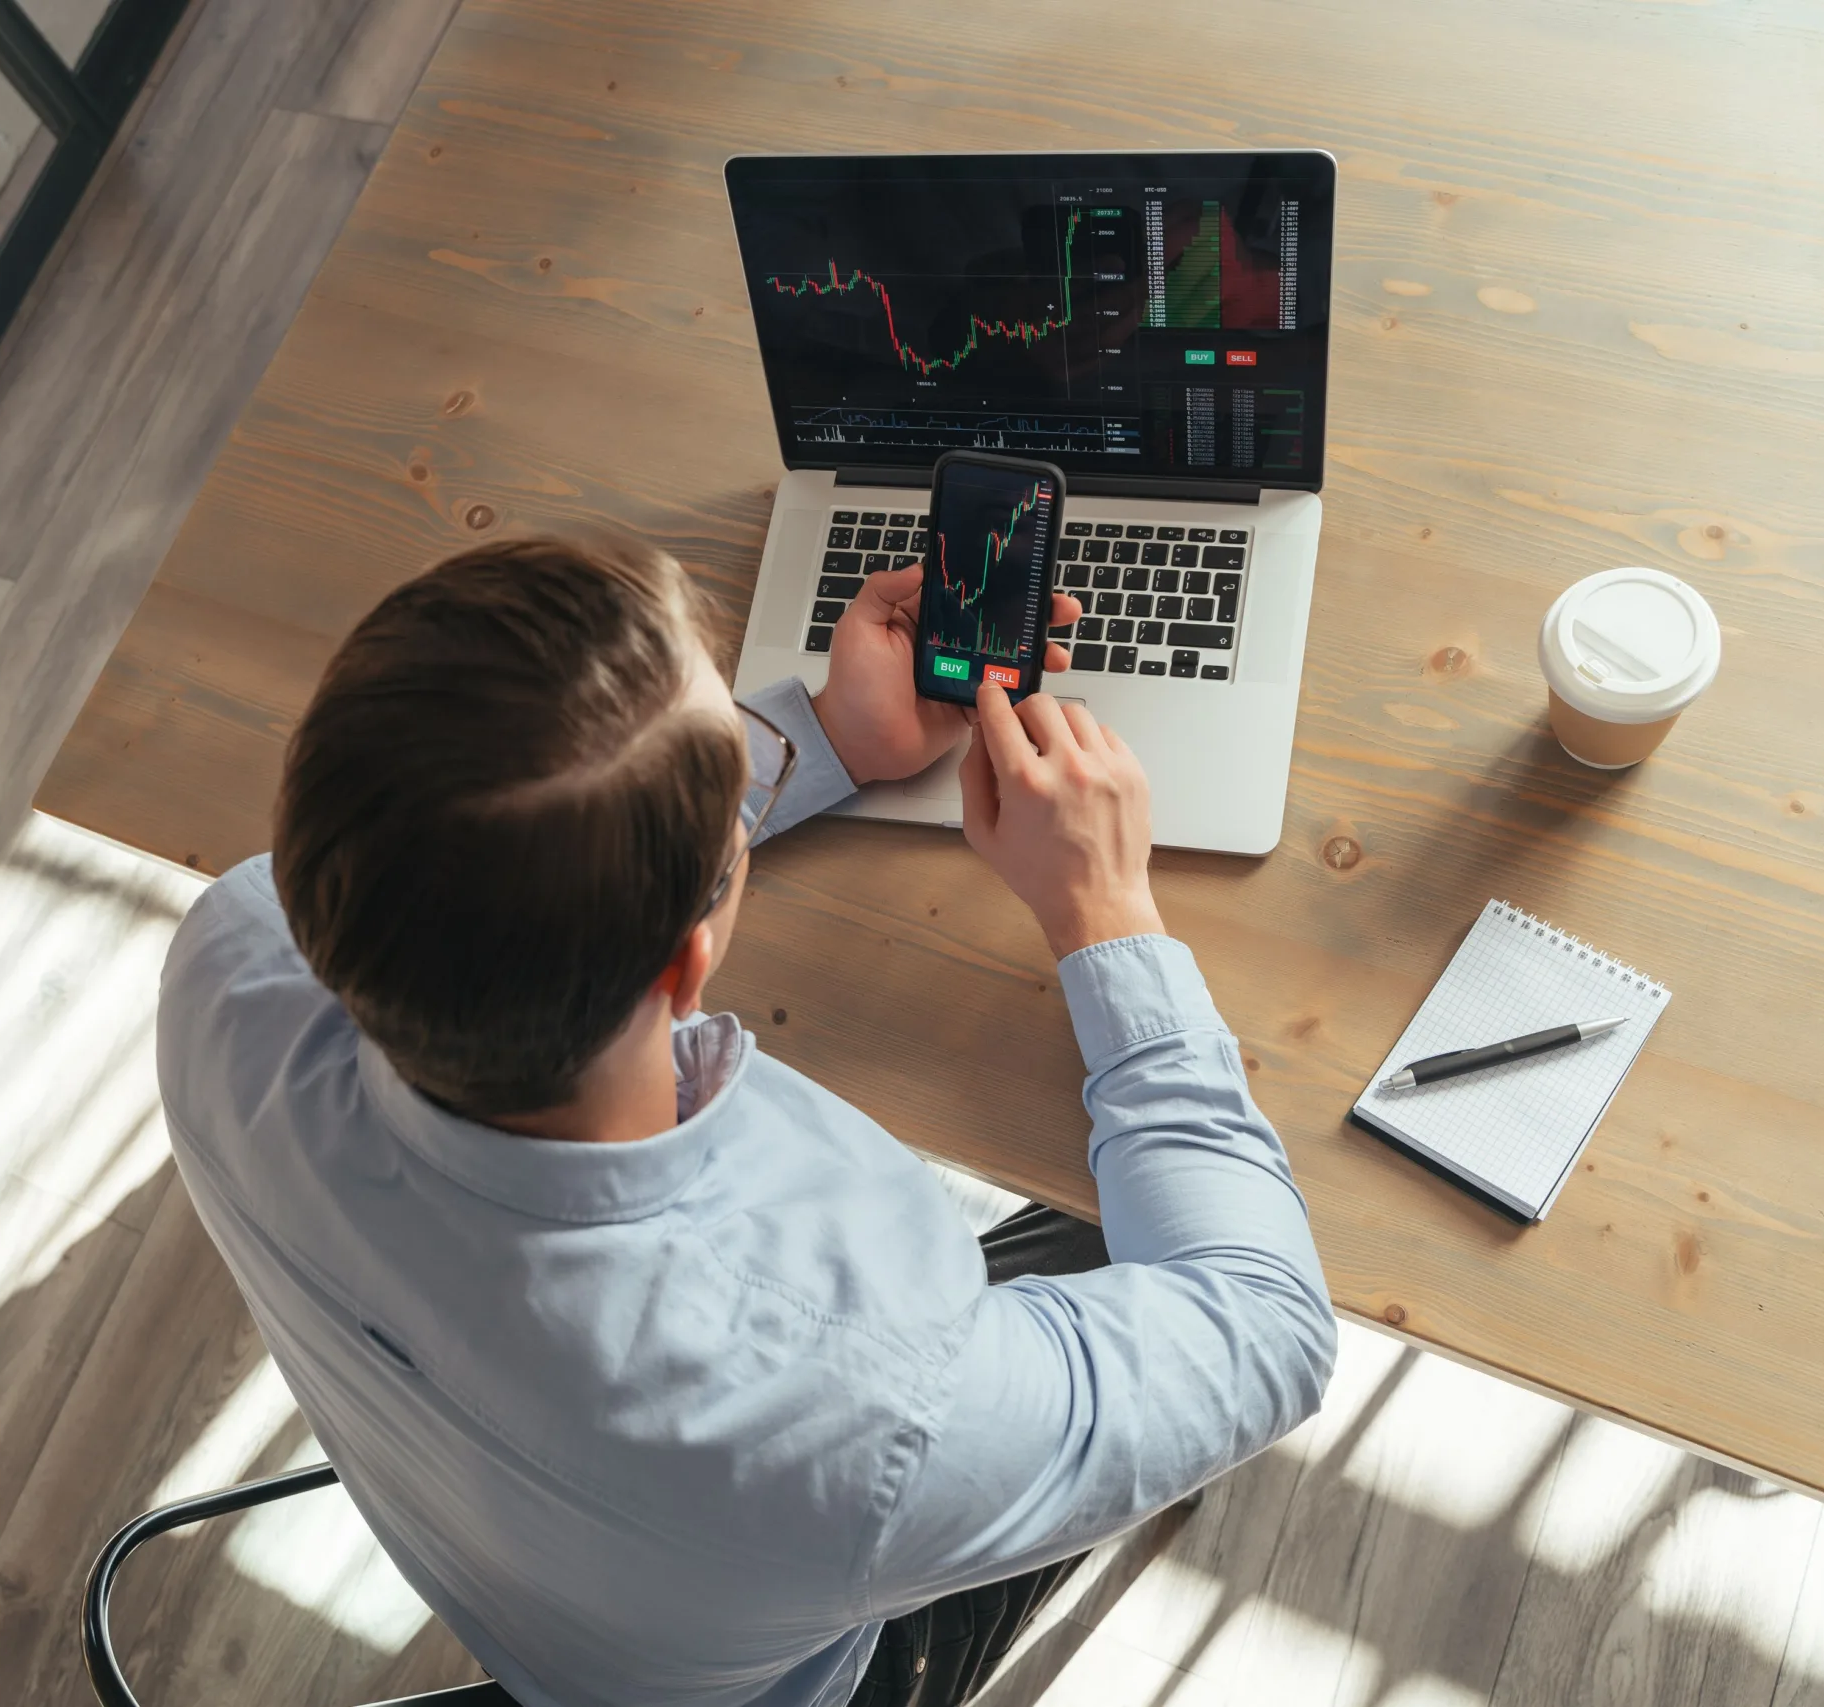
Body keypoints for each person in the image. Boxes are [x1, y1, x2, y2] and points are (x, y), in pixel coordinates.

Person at [157, 536, 1335, 1707]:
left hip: (518, 1570)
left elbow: (449, 862)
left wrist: (821, 737)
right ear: (686, 962)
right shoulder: (864, 1413)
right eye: (740, 787)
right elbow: (1264, 1319)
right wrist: (1106, 910)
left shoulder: (232, 960)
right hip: (810, 1651)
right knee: (1104, 1225)